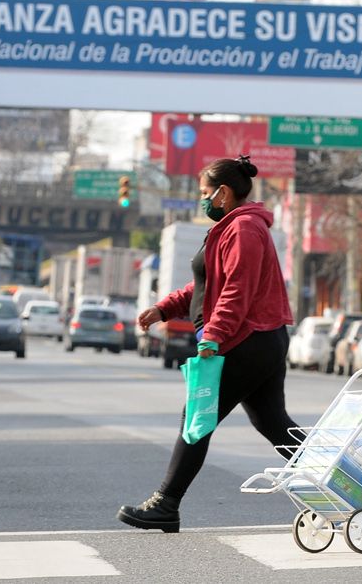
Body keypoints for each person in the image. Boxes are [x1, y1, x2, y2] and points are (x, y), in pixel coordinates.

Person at [119, 155, 297, 533]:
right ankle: (339, 480)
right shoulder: (233, 227)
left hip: (248, 339)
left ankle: (165, 503)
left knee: (197, 417)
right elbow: (206, 285)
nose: (203, 200)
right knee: (273, 423)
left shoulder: (245, 229)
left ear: (223, 192)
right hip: (260, 339)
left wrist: (214, 336)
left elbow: (236, 291)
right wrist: (164, 309)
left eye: (205, 193)